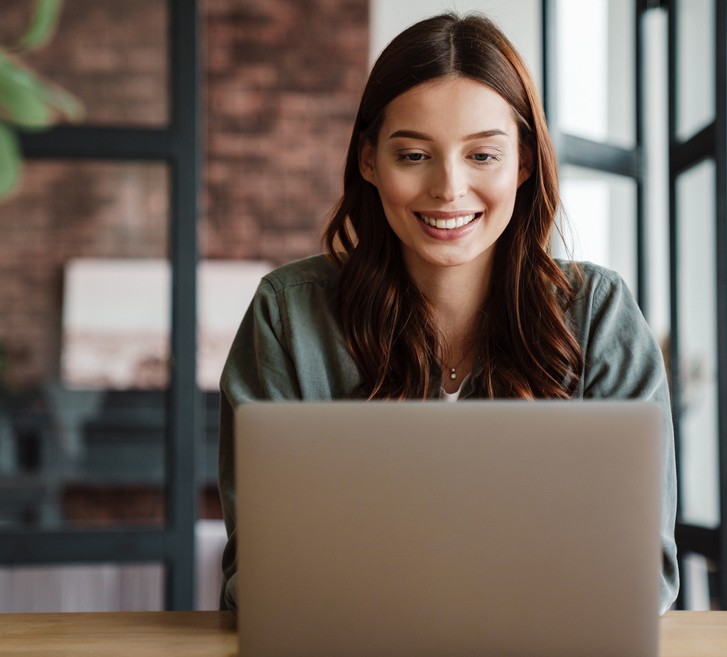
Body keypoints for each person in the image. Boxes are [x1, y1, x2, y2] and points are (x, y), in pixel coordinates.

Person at [218, 12, 679, 615]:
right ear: (368, 161)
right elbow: (257, 580)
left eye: (483, 156)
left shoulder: (598, 315)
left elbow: (642, 577)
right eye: (414, 156)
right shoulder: (287, 316)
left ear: (523, 164)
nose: (449, 188)